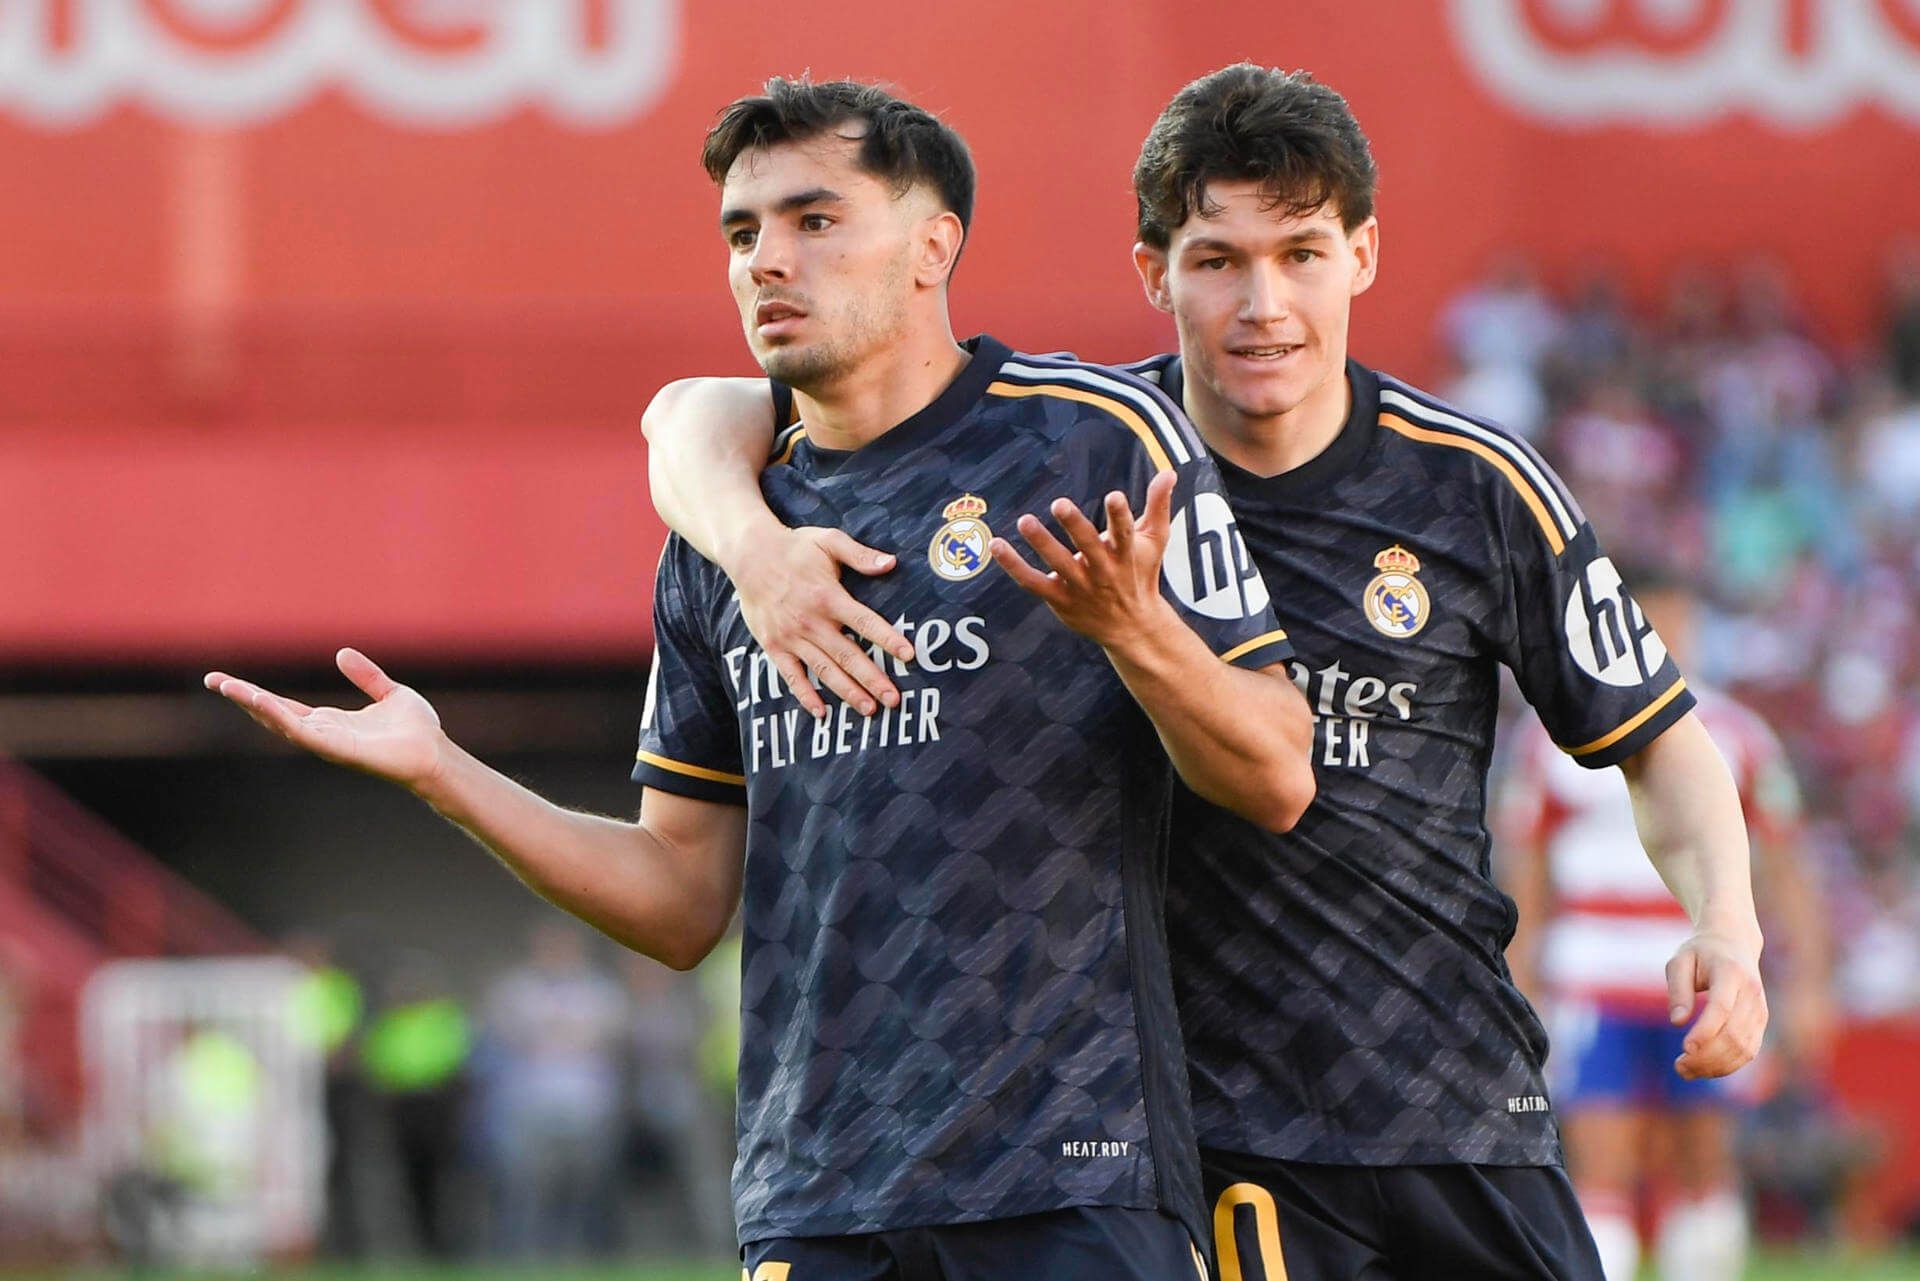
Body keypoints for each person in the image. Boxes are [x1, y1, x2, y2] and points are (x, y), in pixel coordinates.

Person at [641, 64, 1767, 1281]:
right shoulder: (1087, 459)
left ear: (1363, 256)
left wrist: (1729, 926)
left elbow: (1658, 737)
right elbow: (700, 414)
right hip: (1216, 1133)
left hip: (1459, 1099)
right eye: (1218, 260)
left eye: (1301, 255)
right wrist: (749, 544)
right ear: (1154, 272)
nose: (1262, 304)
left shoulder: (1472, 483)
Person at [208, 76, 1316, 1281]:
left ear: (934, 246)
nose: (766, 261)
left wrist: (1136, 631)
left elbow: (1276, 771)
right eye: (743, 233)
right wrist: (444, 773)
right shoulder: (720, 535)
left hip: (1075, 1181)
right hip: (814, 1197)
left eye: (815, 220)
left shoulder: (1093, 441)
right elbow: (680, 899)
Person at [1501, 571, 1834, 1281]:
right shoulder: (1550, 735)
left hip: (1706, 970)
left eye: (1680, 620)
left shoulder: (1738, 734)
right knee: (1602, 1156)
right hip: (1592, 973)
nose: (1669, 635)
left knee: (1706, 1159)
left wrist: (1809, 980)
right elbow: (1526, 871)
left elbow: (1787, 865)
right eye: (1653, 618)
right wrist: (1519, 978)